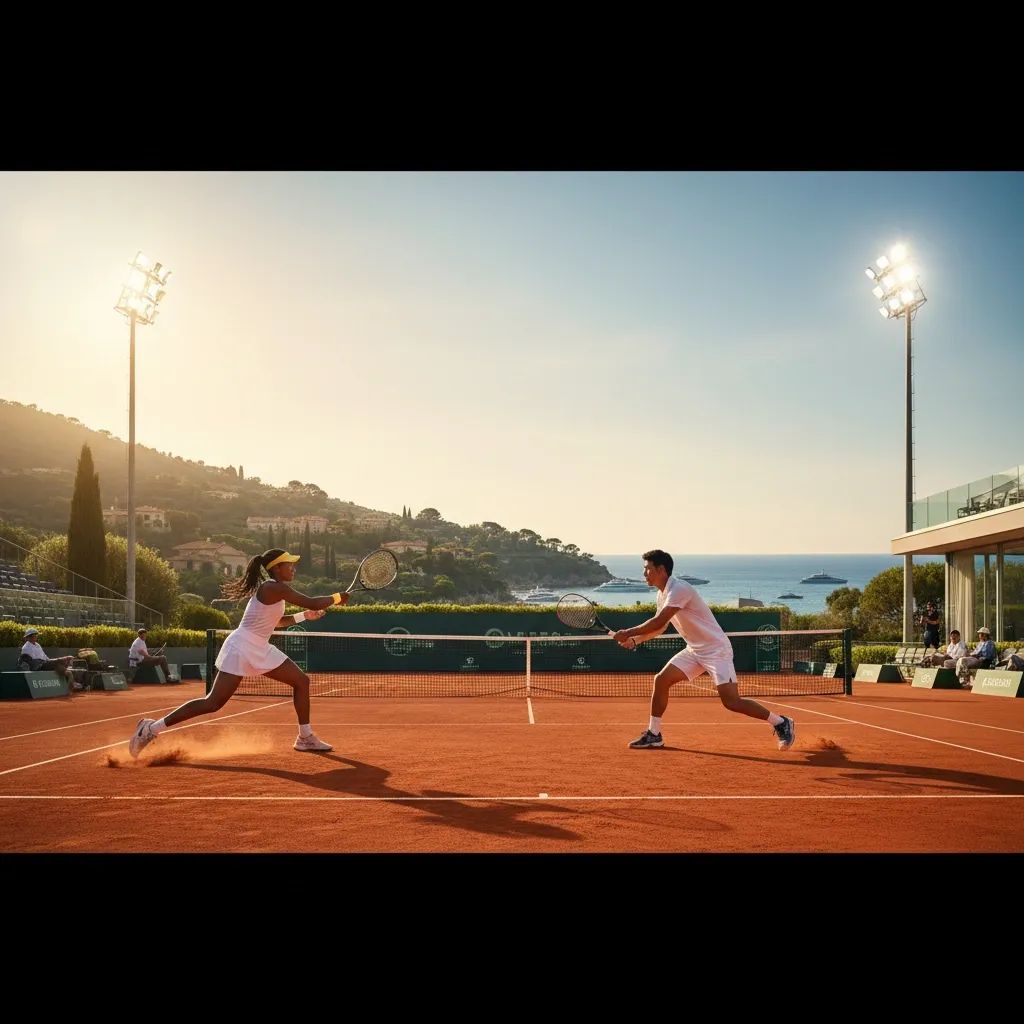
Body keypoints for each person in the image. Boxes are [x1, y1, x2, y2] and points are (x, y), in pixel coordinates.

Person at [127, 549, 348, 758]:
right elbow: (314, 601)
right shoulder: (273, 588)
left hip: (260, 646)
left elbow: (277, 621)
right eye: (289, 564)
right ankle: (151, 728)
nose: (293, 568)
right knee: (213, 703)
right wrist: (338, 597)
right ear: (277, 568)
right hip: (241, 647)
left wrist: (303, 616)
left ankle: (305, 737)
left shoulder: (275, 591)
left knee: (301, 681)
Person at [613, 549, 795, 751]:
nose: (644, 574)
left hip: (716, 650)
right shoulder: (661, 594)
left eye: (647, 569)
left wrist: (627, 632)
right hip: (694, 651)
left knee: (731, 701)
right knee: (661, 680)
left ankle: (781, 722)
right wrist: (636, 640)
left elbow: (659, 620)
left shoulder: (679, 588)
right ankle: (654, 734)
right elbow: (660, 627)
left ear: (661, 569)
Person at [19, 626, 81, 690]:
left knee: (62, 668)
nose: (35, 637)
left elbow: (45, 658)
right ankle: (71, 680)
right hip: (37, 667)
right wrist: (61, 659)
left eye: (35, 635)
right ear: (28, 637)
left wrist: (51, 661)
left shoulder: (37, 645)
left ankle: (70, 682)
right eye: (33, 635)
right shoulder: (26, 648)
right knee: (59, 662)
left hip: (43, 664)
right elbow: (35, 661)